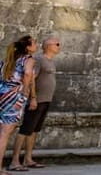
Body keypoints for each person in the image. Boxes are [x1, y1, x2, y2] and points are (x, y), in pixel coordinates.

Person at [9, 36, 60, 171]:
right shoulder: (39, 60)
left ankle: (28, 159)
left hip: (45, 100)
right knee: (26, 129)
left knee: (34, 130)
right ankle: (15, 160)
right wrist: (33, 97)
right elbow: (31, 78)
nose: (59, 47)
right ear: (48, 46)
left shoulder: (50, 62)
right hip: (37, 100)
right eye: (57, 44)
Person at [0, 36, 37, 175]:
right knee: (4, 134)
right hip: (14, 97)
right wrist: (25, 90)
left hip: (2, 94)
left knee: (1, 132)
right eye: (34, 43)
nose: (36, 45)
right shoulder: (28, 59)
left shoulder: (8, 60)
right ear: (27, 47)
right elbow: (27, 73)